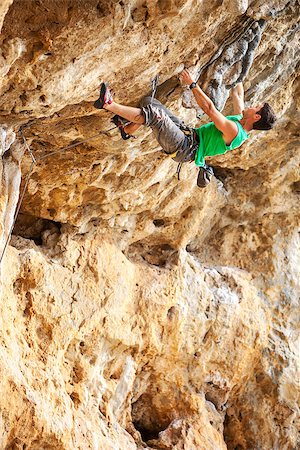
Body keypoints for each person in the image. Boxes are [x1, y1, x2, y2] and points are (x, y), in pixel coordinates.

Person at [94, 69, 276, 186]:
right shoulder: (241, 118)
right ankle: (127, 130)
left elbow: (210, 109)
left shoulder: (235, 132)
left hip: (185, 148)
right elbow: (238, 92)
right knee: (149, 102)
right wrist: (240, 70)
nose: (253, 105)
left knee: (156, 117)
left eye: (257, 107)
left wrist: (192, 84)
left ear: (256, 116)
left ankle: (108, 104)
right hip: (187, 135)